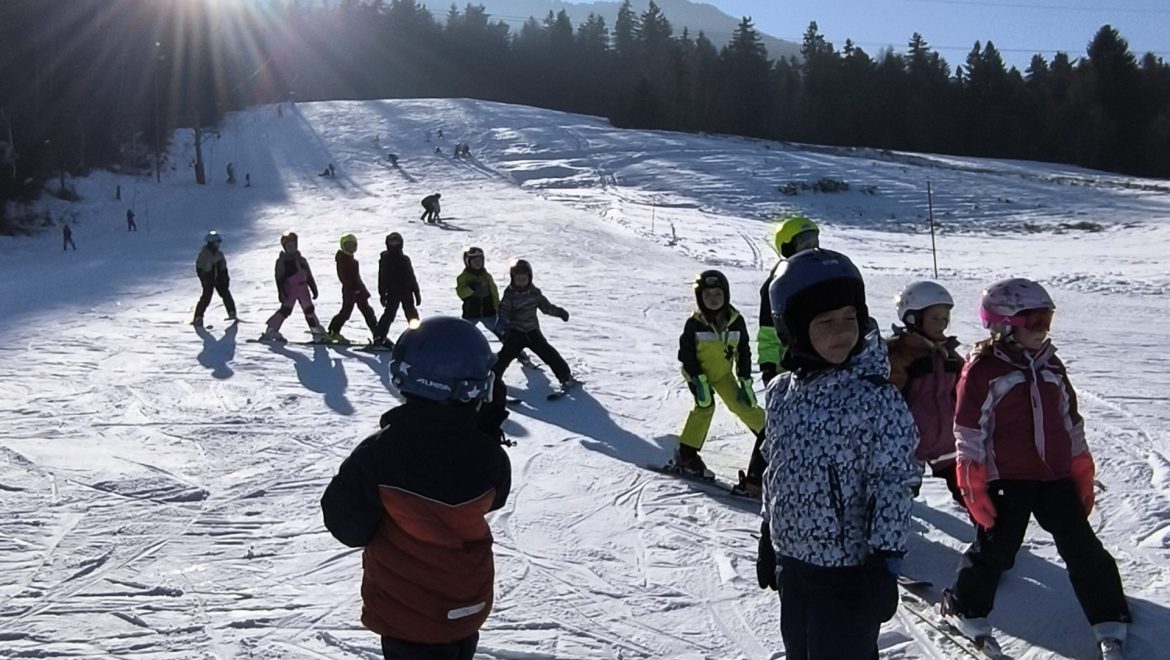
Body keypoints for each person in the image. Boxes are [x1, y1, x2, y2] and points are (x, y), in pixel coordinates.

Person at [941, 278, 1130, 658]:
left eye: (1047, 320)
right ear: (1004, 325)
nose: (1043, 329)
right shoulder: (983, 369)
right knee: (997, 548)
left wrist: (1080, 466)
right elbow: (968, 429)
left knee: (1082, 546)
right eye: (1035, 321)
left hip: (1054, 475)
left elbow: (1069, 420)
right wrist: (971, 478)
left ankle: (1108, 617)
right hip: (1006, 476)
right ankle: (963, 606)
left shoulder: (1051, 365)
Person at [756, 248, 919, 660]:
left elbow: (894, 483)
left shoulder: (876, 398)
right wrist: (767, 534)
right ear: (792, 329)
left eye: (850, 318)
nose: (842, 332)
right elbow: (774, 467)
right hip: (792, 564)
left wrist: (885, 561)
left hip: (850, 573)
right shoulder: (780, 394)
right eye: (825, 322)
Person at [321, 316, 511, 660]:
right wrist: (480, 433)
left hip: (406, 613)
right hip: (467, 605)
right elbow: (497, 495)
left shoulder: (380, 454)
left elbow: (345, 525)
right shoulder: (489, 457)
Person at [673, 270, 766, 489]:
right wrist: (698, 378)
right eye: (707, 296)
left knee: (743, 405)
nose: (713, 300)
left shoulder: (736, 321)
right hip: (698, 375)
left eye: (717, 295)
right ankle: (686, 455)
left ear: (726, 295)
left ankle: (771, 438)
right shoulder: (694, 323)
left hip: (723, 375)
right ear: (700, 299)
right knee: (705, 407)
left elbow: (743, 350)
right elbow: (685, 354)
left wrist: (745, 379)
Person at [887, 280, 966, 509]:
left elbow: (965, 391)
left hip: (947, 442)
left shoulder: (949, 355)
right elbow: (889, 400)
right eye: (934, 318)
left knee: (967, 491)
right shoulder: (899, 355)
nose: (941, 324)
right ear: (913, 318)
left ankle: (992, 540)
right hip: (908, 446)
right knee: (900, 497)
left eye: (945, 318)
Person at [757, 215, 820, 387]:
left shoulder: (824, 274)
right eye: (804, 243)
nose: (811, 248)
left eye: (814, 241)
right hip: (791, 368)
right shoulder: (777, 285)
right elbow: (768, 332)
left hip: (825, 359)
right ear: (787, 247)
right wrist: (768, 366)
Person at [493, 259, 574, 388]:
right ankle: (492, 379)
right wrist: (502, 322)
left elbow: (546, 307)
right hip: (515, 333)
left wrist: (559, 312)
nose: (520, 282)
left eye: (523, 279)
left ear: (529, 278)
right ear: (512, 279)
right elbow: (503, 310)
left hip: (532, 332)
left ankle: (564, 375)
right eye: (517, 279)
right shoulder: (510, 295)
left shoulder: (535, 293)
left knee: (548, 353)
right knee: (504, 357)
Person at [455, 247, 532, 367]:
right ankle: (456, 356)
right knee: (464, 335)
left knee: (503, 332)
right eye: (475, 261)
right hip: (471, 314)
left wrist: (497, 307)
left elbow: (494, 292)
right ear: (467, 262)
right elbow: (461, 293)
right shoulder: (463, 277)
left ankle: (518, 353)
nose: (478, 263)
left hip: (488, 313)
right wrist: (471, 288)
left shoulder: (487, 276)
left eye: (480, 260)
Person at [261, 231, 326, 343]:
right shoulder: (282, 261)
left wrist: (314, 288)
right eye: (289, 246)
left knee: (309, 309)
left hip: (303, 288)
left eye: (294, 245)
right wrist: (281, 292)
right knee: (286, 310)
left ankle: (315, 329)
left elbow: (309, 275)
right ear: (285, 247)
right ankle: (271, 330)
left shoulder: (301, 260)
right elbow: (279, 278)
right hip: (290, 289)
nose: (293, 248)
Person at [326, 233, 379, 343]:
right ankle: (332, 332)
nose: (350, 248)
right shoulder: (343, 260)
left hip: (357, 291)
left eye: (353, 246)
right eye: (348, 246)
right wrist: (355, 288)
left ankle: (377, 333)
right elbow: (344, 277)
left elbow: (356, 278)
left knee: (367, 311)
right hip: (351, 291)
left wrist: (361, 290)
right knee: (346, 312)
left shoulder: (351, 260)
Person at [374, 232, 421, 348]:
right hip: (393, 293)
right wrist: (382, 294)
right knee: (389, 315)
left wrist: (417, 292)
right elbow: (382, 278)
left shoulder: (405, 259)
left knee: (412, 314)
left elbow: (411, 276)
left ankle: (417, 337)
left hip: (407, 292)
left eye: (397, 242)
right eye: (392, 242)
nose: (394, 245)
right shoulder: (385, 259)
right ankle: (379, 337)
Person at [192, 231, 237, 326]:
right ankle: (198, 317)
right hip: (209, 278)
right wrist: (204, 279)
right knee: (206, 297)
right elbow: (199, 268)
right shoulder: (204, 255)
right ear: (211, 243)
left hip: (219, 279)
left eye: (219, 243)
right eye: (216, 243)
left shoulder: (219, 254)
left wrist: (225, 279)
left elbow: (224, 268)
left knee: (226, 294)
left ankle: (232, 313)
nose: (218, 245)